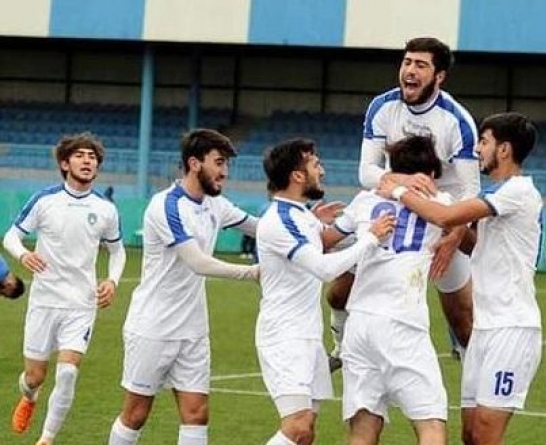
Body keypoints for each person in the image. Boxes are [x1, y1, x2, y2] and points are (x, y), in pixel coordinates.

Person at [377, 112, 542, 445]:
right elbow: (476, 244)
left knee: (485, 434)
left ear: (504, 149)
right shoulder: (499, 195)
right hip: (484, 328)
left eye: (484, 141)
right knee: (470, 434)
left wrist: (399, 190)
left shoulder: (518, 191)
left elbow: (446, 215)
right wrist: (452, 232)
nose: (477, 149)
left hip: (512, 328)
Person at [328, 36, 479, 367]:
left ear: (439, 76)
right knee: (338, 294)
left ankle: (476, 383)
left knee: (462, 319)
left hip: (441, 219)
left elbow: (471, 191)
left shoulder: (457, 121)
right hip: (389, 211)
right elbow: (366, 171)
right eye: (407, 62)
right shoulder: (382, 106)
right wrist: (402, 182)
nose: (410, 70)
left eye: (421, 65)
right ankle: (340, 348)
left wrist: (454, 234)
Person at [107, 129, 261, 445]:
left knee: (196, 414)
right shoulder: (166, 205)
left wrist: (306, 226)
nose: (225, 172)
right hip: (154, 327)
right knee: (135, 414)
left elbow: (261, 229)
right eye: (219, 162)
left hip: (193, 328)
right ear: (194, 163)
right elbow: (197, 262)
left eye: (226, 164)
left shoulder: (216, 204)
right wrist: (253, 273)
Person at [256, 138, 394, 445]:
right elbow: (324, 269)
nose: (322, 171)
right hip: (284, 336)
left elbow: (322, 245)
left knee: (305, 432)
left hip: (307, 334)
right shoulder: (280, 220)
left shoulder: (302, 215)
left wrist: (323, 223)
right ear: (297, 175)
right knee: (297, 427)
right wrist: (370, 238)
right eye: (315, 164)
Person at [3, 133, 127, 445]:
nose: (88, 161)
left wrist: (112, 280)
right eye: (80, 155)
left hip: (81, 304)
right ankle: (29, 397)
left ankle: (46, 439)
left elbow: (117, 251)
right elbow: (11, 237)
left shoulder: (106, 209)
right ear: (64, 163)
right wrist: (24, 254)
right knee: (34, 378)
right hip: (44, 302)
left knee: (68, 372)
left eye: (92, 157)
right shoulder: (44, 200)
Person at [334, 135, 450, 444]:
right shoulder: (441, 202)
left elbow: (325, 240)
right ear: (431, 174)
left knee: (362, 429)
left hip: (359, 322)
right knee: (431, 424)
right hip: (402, 322)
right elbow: (460, 223)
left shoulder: (365, 200)